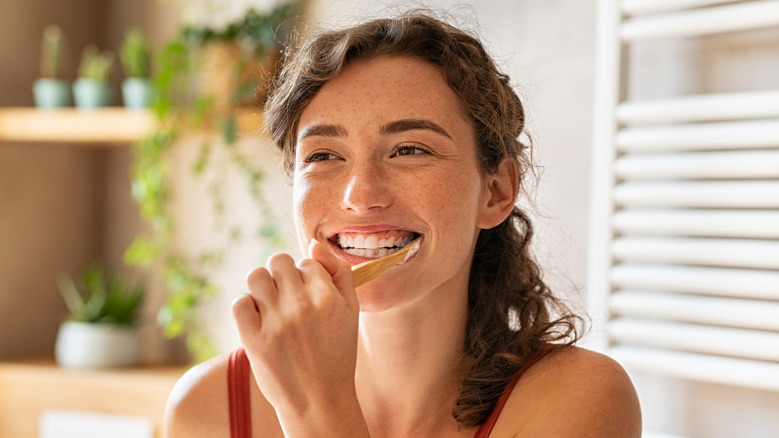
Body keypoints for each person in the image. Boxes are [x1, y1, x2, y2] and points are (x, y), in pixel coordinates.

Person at [164, 10, 642, 438]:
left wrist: (317, 407)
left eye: (410, 150)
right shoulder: (209, 410)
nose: (359, 195)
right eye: (324, 155)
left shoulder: (578, 401)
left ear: (495, 192)